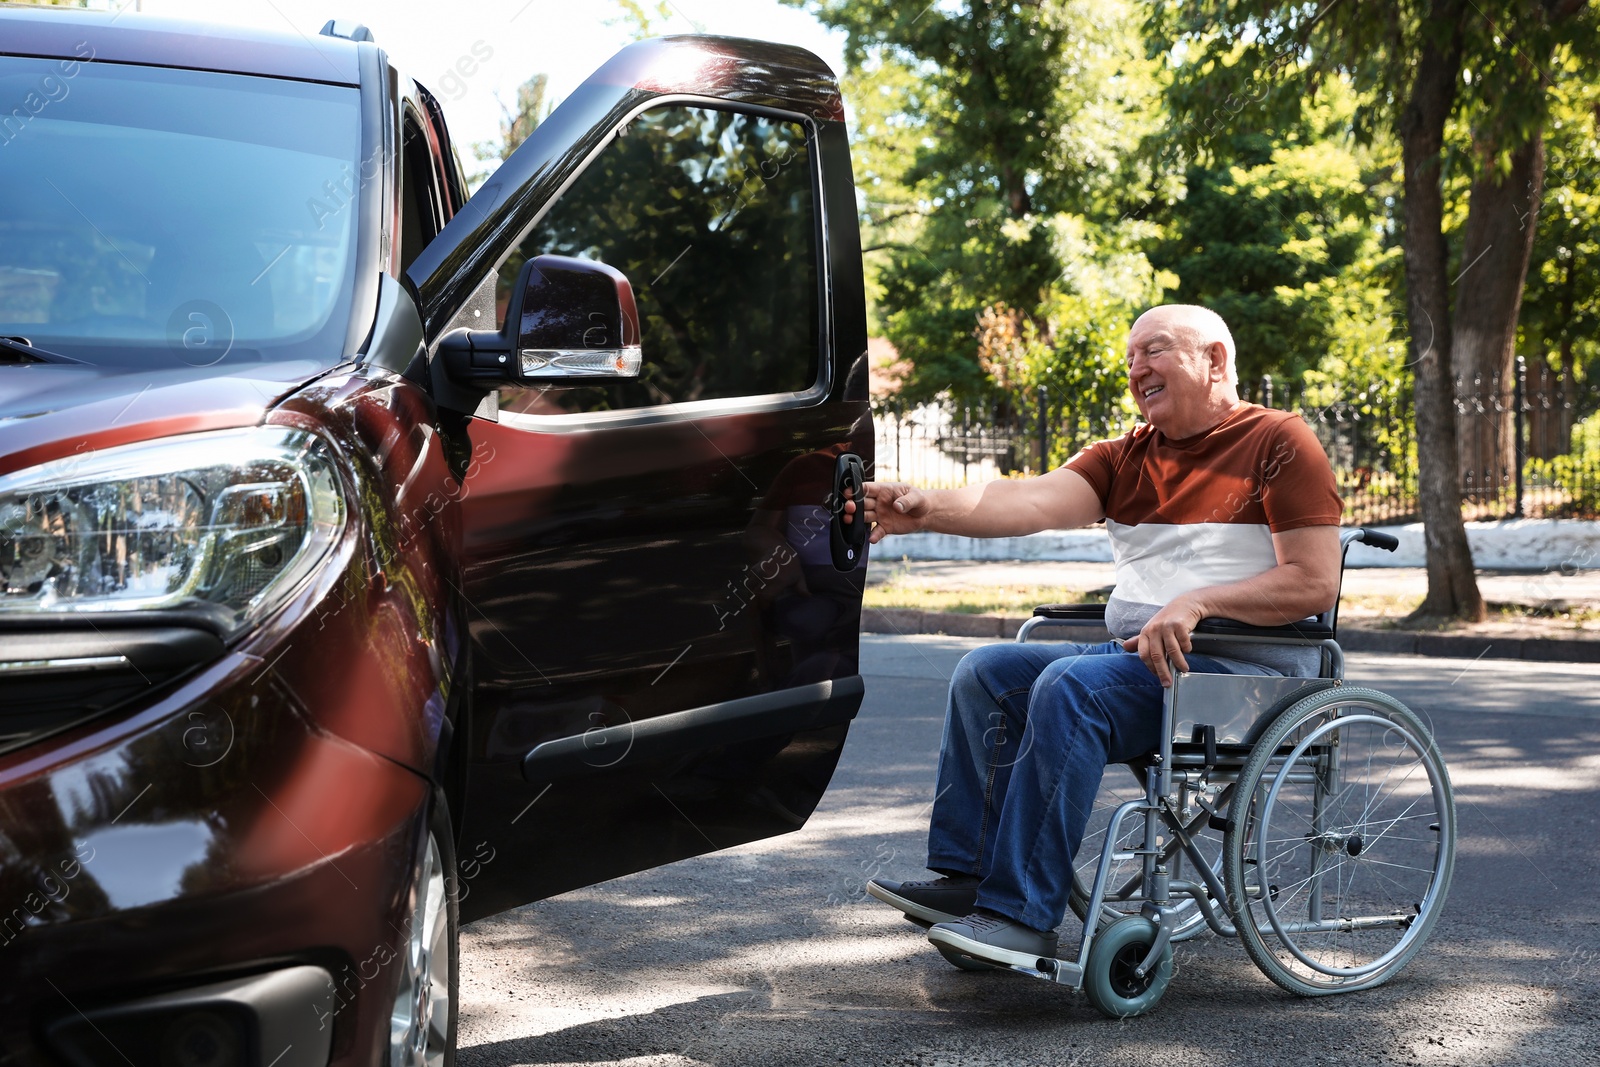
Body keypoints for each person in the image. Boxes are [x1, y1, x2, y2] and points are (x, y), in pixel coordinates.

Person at [847, 304, 1343, 969]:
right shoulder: (1125, 457)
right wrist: (926, 507)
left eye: (1155, 351)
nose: (1137, 368)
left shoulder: (1280, 441)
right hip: (1146, 665)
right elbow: (1022, 499)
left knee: (1069, 686)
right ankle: (970, 879)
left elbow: (1313, 583)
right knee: (987, 672)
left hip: (1246, 676)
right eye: (1131, 356)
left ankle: (1022, 918)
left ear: (1215, 359)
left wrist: (1196, 602)